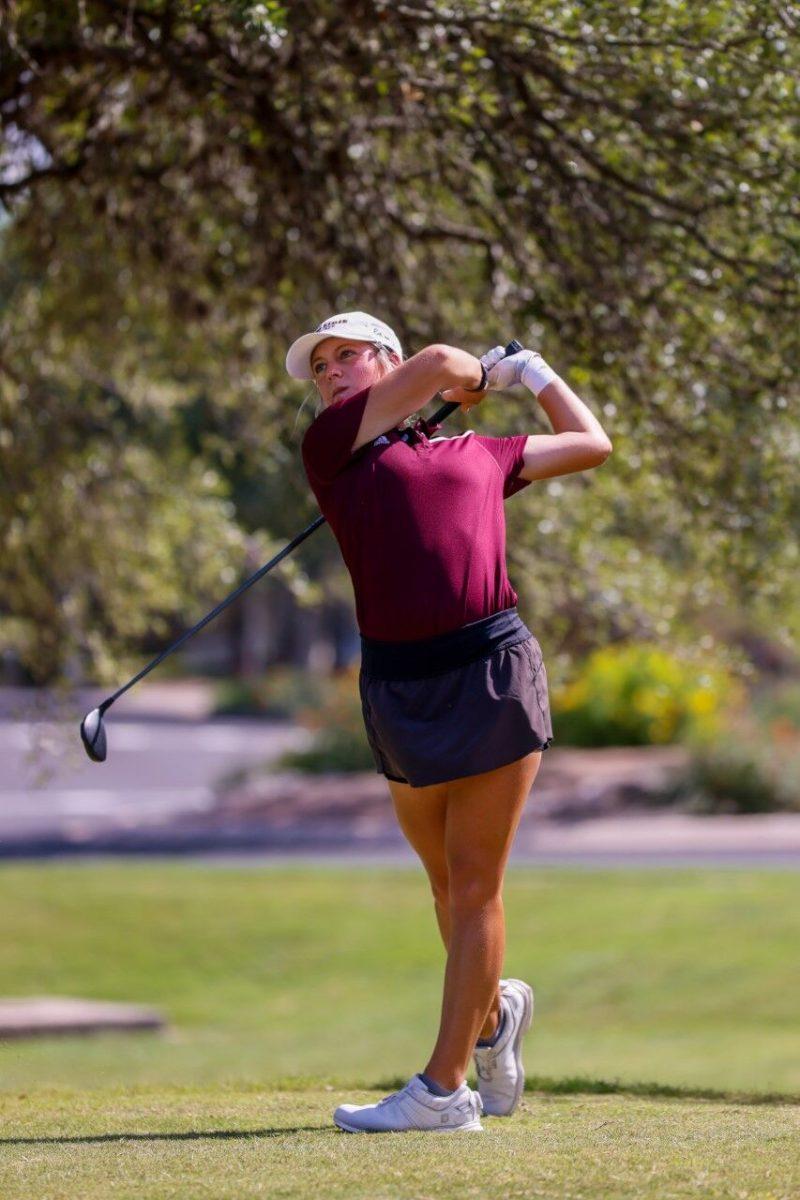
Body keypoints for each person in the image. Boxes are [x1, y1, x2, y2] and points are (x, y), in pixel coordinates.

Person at [286, 311, 612, 1133]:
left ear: (383, 360)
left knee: (474, 888)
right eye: (319, 368)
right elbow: (440, 361)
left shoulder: (481, 456)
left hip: (492, 671)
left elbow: (590, 442)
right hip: (397, 689)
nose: (329, 375)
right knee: (444, 888)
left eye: (345, 357)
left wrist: (530, 372)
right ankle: (496, 1016)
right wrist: (470, 377)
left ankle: (444, 1091)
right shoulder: (333, 448)